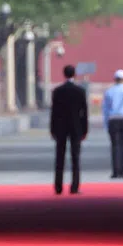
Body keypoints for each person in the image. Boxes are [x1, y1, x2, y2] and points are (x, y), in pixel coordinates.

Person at [50, 64, 88, 195]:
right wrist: (85, 130)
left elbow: (54, 113)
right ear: (74, 74)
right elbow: (84, 113)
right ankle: (74, 187)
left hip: (60, 127)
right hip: (76, 127)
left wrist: (52, 129)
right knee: (75, 158)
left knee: (59, 157)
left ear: (64, 74)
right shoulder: (80, 91)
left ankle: (58, 187)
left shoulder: (57, 91)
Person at [102, 69, 123, 179]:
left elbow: (105, 110)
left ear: (115, 79)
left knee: (115, 146)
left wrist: (106, 125)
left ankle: (115, 172)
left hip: (113, 120)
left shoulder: (109, 92)